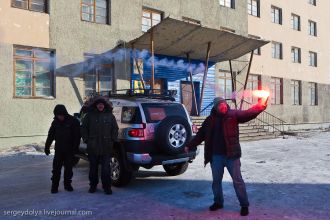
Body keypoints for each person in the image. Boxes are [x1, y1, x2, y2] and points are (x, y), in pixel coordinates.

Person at [185, 97, 268, 216]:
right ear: (216, 107)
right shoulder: (209, 120)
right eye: (220, 105)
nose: (223, 106)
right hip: (216, 157)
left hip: (232, 156)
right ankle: (218, 202)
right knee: (216, 182)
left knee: (238, 181)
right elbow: (200, 135)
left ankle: (244, 205)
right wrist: (189, 145)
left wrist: (260, 106)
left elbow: (248, 114)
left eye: (224, 104)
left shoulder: (233, 115)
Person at [81, 97, 119, 195]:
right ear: (96, 105)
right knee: (93, 168)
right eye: (98, 104)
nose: (100, 106)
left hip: (106, 147)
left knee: (106, 169)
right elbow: (84, 128)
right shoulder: (89, 116)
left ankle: (107, 187)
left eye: (102, 104)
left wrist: (112, 140)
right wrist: (86, 140)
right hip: (93, 147)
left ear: (104, 105)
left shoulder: (110, 116)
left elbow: (115, 128)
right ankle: (93, 186)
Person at [45, 104, 81, 194]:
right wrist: (47, 146)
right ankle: (54, 186)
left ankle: (67, 185)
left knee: (68, 169)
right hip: (59, 150)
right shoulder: (55, 123)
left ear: (64, 113)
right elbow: (50, 135)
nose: (60, 117)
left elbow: (77, 137)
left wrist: (75, 149)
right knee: (56, 169)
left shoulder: (73, 121)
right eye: (58, 115)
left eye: (61, 115)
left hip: (70, 150)